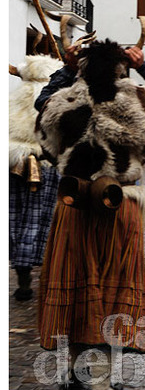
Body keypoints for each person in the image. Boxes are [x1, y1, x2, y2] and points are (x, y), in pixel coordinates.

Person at [35, 41, 145, 390]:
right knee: (109, 289)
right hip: (121, 205)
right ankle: (99, 386)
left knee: (77, 283)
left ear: (80, 67)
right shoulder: (141, 100)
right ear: (122, 68)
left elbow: (42, 106)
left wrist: (67, 69)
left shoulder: (63, 100)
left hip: (74, 204)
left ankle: (74, 371)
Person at [9, 53, 63, 301]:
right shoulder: (55, 98)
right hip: (46, 166)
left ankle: (23, 277)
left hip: (15, 164)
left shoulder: (14, 97)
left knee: (16, 219)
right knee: (42, 222)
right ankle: (45, 273)